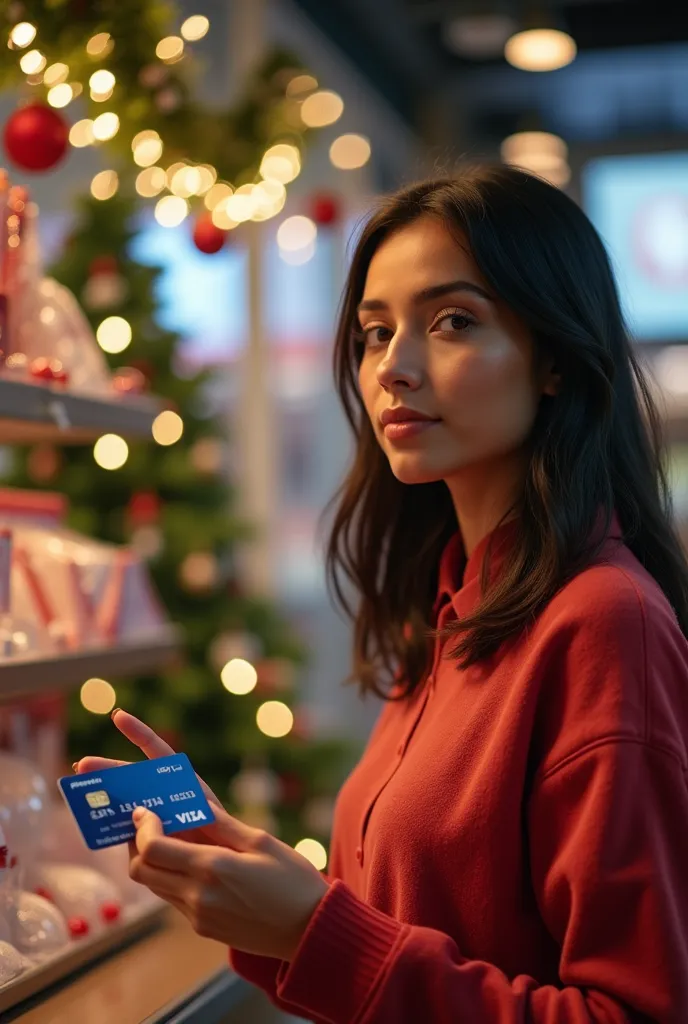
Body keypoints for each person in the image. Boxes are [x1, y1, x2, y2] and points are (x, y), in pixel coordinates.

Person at [76, 166, 688, 1022]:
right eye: (372, 333)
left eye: (451, 322)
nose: (392, 367)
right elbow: (421, 923)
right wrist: (260, 878)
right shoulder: (445, 612)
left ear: (554, 357)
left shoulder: (601, 623)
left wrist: (318, 933)